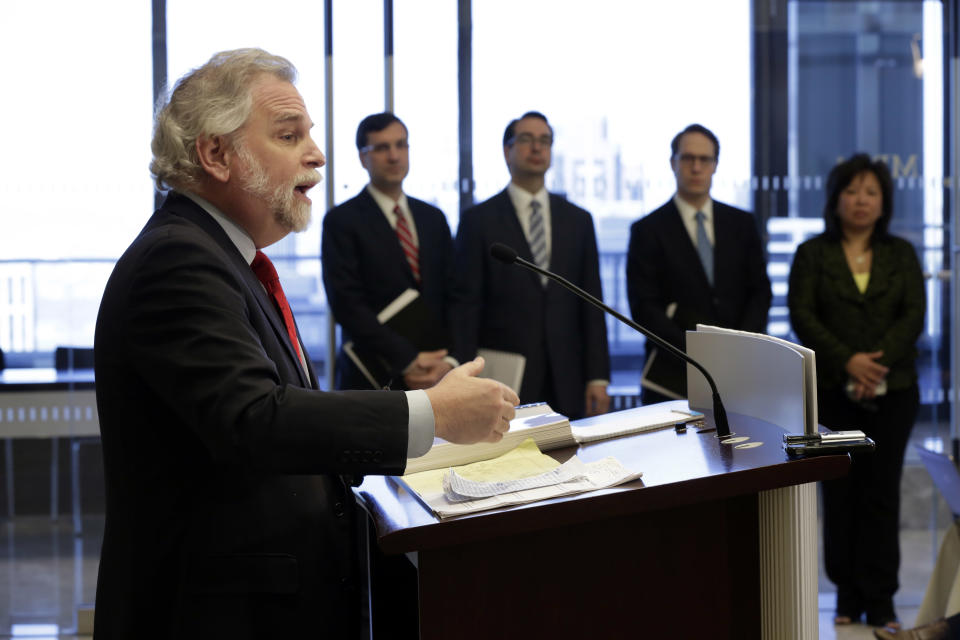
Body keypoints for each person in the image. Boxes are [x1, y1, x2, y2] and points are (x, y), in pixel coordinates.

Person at [92, 48, 518, 639]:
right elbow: (256, 419)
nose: (316, 156)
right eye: (290, 136)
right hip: (216, 616)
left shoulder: (224, 257)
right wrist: (432, 412)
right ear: (216, 154)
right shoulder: (178, 260)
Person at [788, 153, 924, 629]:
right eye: (851, 191)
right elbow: (803, 315)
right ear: (835, 199)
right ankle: (846, 594)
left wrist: (875, 364)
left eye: (870, 192)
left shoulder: (902, 254)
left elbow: (913, 316)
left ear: (883, 201)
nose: (860, 201)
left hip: (894, 393)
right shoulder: (812, 254)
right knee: (841, 493)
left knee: (882, 494)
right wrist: (849, 360)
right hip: (832, 393)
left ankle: (882, 600)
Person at [452, 111, 610, 420]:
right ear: (506, 151)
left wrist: (598, 377)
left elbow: (591, 302)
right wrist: (463, 374)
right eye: (526, 140)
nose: (536, 148)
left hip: (568, 373)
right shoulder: (478, 221)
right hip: (504, 374)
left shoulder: (578, 220)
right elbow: (465, 305)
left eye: (544, 141)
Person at [626, 123, 771, 404]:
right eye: (687, 158)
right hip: (673, 372)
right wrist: (700, 353)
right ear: (673, 163)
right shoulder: (647, 230)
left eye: (704, 159)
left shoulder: (741, 223)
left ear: (715, 165)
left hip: (739, 371)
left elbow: (760, 291)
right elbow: (644, 306)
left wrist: (739, 346)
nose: (696, 167)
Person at [322, 112, 457, 391]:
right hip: (373, 376)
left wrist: (451, 360)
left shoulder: (434, 218)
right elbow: (347, 304)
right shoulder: (342, 221)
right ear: (363, 158)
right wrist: (407, 359)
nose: (394, 156)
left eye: (401, 145)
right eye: (382, 148)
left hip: (438, 372)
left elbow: (456, 293)